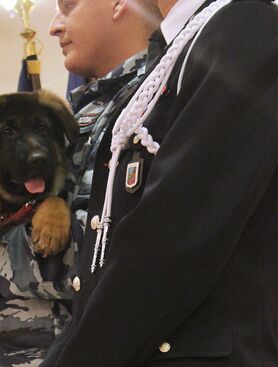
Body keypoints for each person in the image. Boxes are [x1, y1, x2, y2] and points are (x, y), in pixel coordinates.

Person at [0, 1, 162, 366]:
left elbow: (94, 258)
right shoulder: (85, 113)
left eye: (69, 6)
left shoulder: (155, 103)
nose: (53, 27)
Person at [43, 0, 278, 366]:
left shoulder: (244, 24)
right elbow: (103, 263)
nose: (54, 26)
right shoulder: (176, 51)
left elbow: (175, 236)